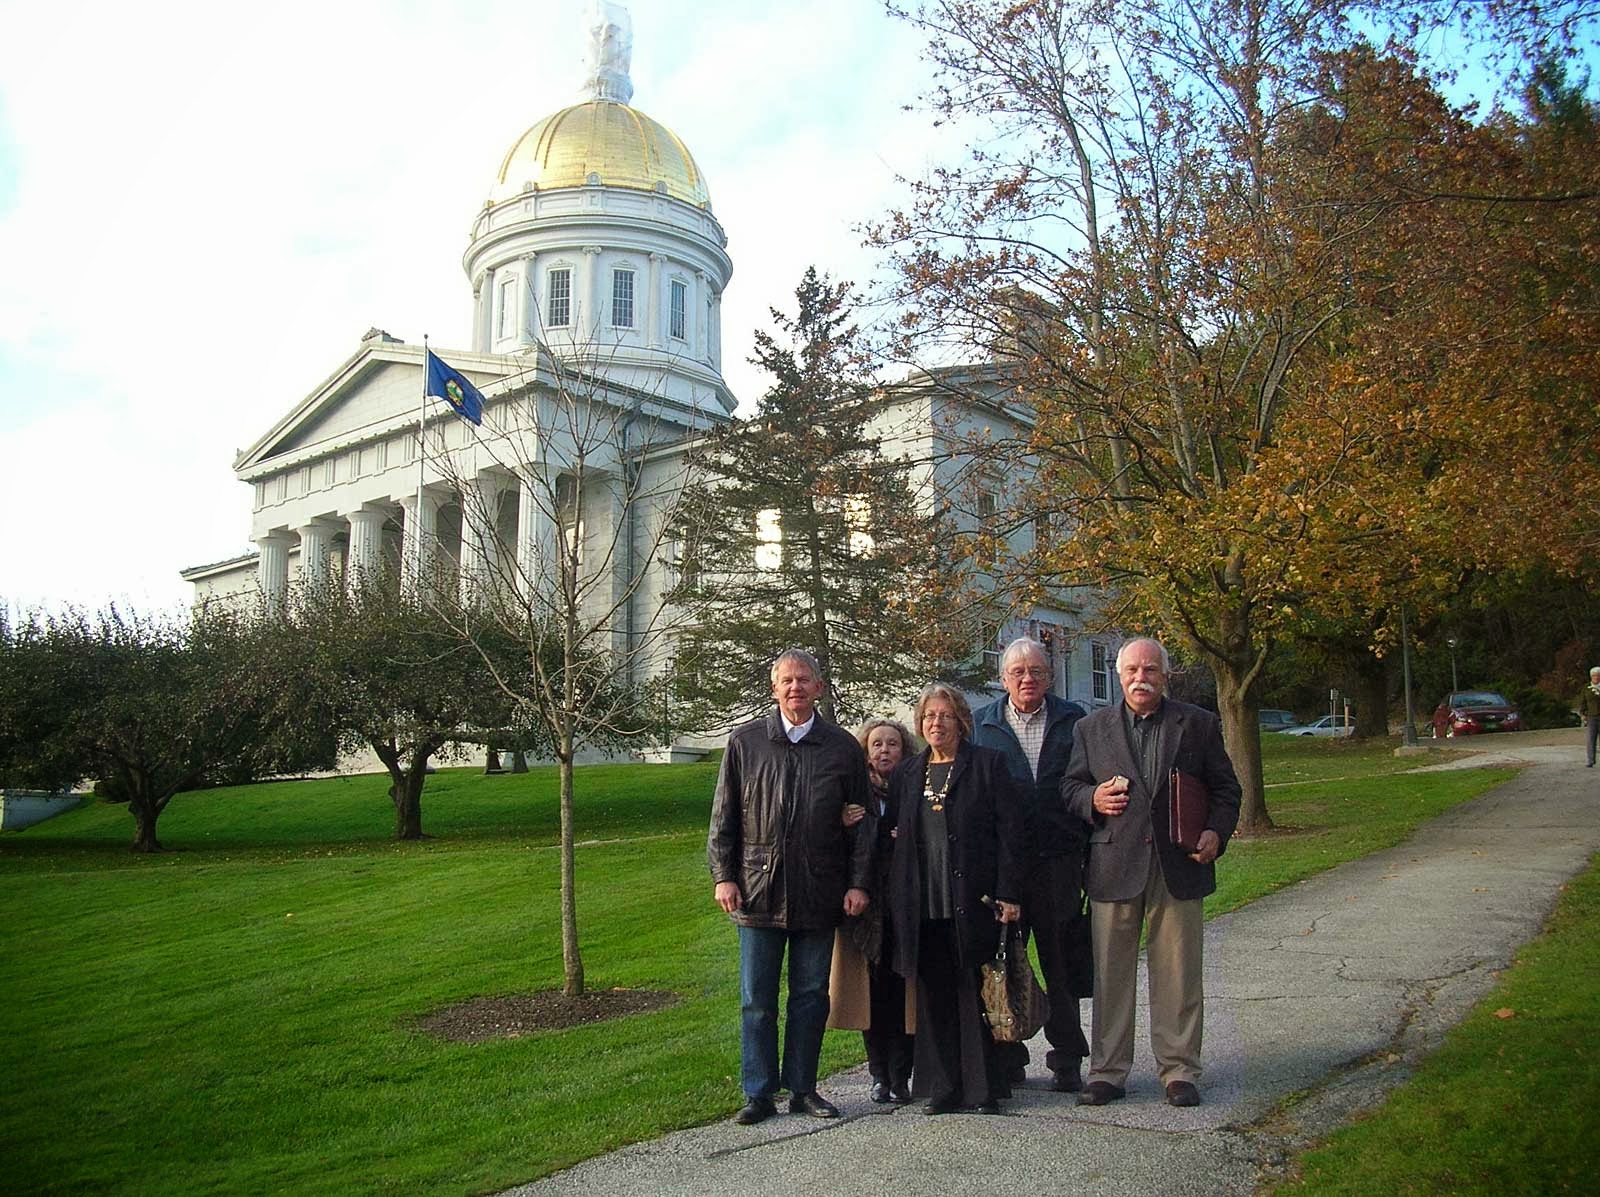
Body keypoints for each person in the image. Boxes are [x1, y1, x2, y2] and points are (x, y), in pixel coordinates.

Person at [1062, 637, 1241, 1108]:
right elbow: (1069, 786)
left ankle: (1179, 1070)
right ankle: (1107, 1072)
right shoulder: (1090, 728)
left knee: (1179, 973)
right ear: (1118, 675)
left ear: (1165, 674)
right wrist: (1091, 798)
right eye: (1132, 671)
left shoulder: (1198, 724)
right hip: (1113, 863)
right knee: (1110, 976)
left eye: (1150, 670)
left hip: (1178, 863)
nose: (1141, 678)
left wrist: (1215, 832)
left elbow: (1227, 790)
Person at [708, 649, 874, 1126]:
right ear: (774, 687)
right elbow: (724, 816)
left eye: (804, 679)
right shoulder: (746, 742)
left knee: (810, 996)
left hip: (819, 891)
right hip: (757, 890)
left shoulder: (842, 747)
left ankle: (803, 1088)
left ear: (819, 687)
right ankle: (758, 1093)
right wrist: (723, 876)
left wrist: (858, 883)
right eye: (787, 680)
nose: (795, 687)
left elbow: (862, 823)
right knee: (756, 1001)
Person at [887, 682, 1025, 1115]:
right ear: (920, 723)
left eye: (945, 715)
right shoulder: (908, 774)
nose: (937, 723)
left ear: (962, 721)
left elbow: (1011, 835)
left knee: (974, 994)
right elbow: (894, 833)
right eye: (929, 716)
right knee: (935, 997)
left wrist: (1009, 893)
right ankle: (944, 1087)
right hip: (923, 905)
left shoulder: (987, 765)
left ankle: (983, 1090)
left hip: (973, 901)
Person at [972, 636, 1092, 1092]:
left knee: (1061, 965)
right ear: (1003, 678)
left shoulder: (1074, 721)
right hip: (1004, 869)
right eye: (1018, 672)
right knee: (1004, 964)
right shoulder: (982, 725)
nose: (1027, 679)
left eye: (1036, 671)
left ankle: (1067, 1059)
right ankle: (1009, 1057)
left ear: (1050, 676)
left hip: (1059, 863)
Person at [830, 718, 917, 1103]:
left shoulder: (915, 788)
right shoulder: (853, 795)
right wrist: (840, 821)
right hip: (866, 909)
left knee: (904, 993)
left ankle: (902, 1075)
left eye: (892, 744)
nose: (885, 751)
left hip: (907, 906)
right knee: (873, 994)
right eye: (877, 744)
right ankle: (879, 1074)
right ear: (866, 752)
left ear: (904, 749)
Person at [1582, 667, 1600, 768]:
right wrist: (1583, 714)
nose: (1596, 677)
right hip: (1591, 717)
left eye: (1598, 675)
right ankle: (1590, 760)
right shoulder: (1586, 688)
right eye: (1594, 675)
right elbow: (1583, 702)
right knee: (1591, 739)